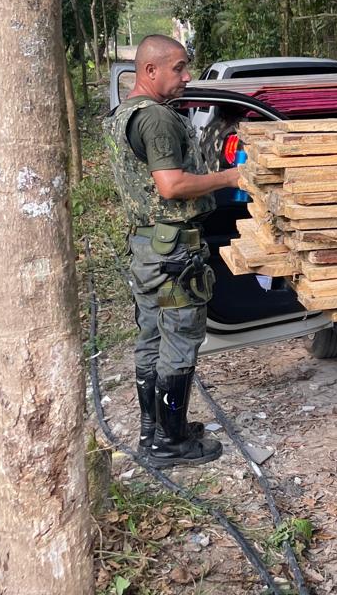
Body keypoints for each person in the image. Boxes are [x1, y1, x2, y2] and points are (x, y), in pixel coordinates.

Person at [103, 34, 240, 467]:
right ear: (150, 71)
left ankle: (156, 431)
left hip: (147, 247)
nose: (187, 77)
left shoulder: (124, 113)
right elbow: (172, 185)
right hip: (174, 251)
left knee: (151, 339)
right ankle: (171, 444)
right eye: (179, 68)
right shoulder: (157, 120)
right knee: (179, 341)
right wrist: (232, 179)